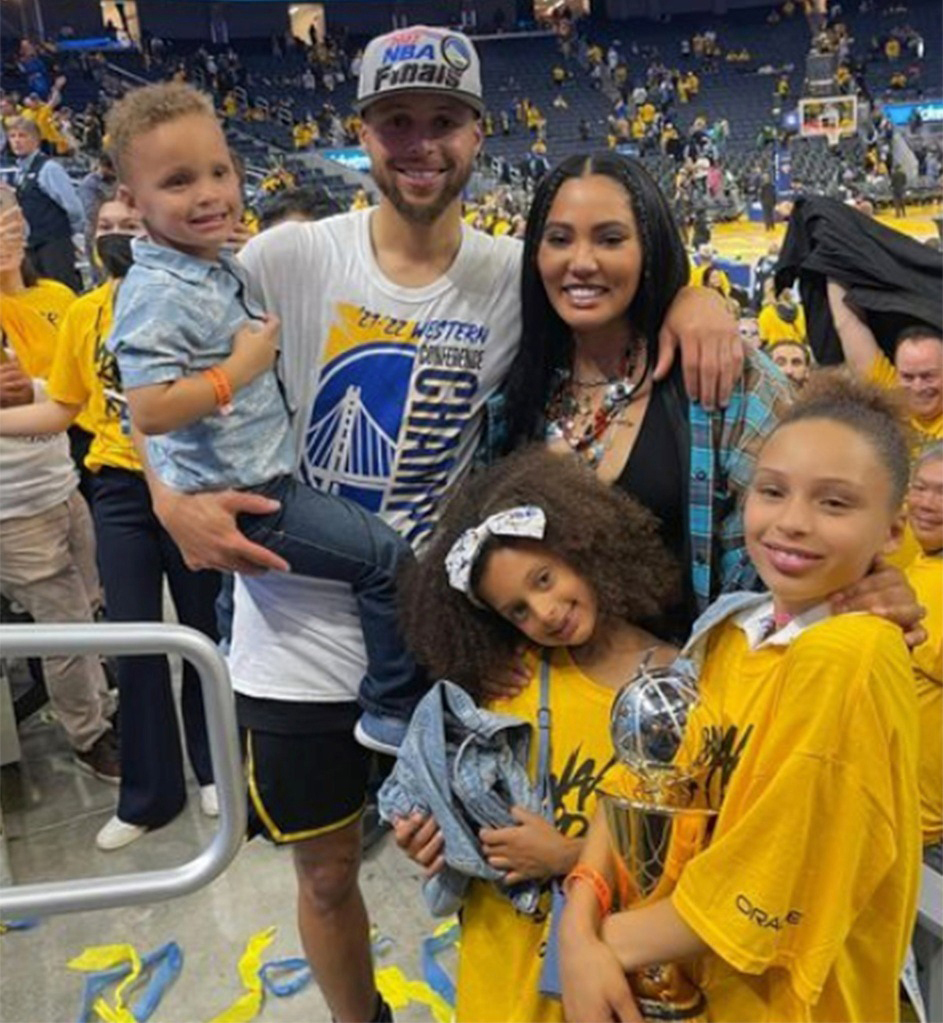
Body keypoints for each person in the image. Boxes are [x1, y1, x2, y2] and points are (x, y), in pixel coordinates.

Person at [139, 25, 765, 1023]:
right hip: (290, 638)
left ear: (478, 135)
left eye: (442, 121)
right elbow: (148, 357)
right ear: (362, 132)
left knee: (485, 849)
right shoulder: (288, 255)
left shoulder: (512, 282)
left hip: (453, 642)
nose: (418, 143)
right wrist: (166, 496)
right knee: (331, 879)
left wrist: (697, 292)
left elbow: (616, 280)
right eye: (396, 121)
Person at [560, 371, 921, 1023]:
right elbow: (639, 783)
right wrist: (578, 916)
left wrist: (597, 946)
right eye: (771, 490)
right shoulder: (729, 637)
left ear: (892, 530)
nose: (791, 522)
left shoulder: (849, 655)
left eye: (834, 503)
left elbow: (769, 874)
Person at [103, 81, 424, 756]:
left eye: (220, 172)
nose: (209, 193)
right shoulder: (156, 291)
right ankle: (394, 707)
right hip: (255, 493)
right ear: (132, 203)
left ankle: (226, 650)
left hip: (244, 477)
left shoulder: (208, 266)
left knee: (231, 596)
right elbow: (149, 408)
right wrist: (238, 372)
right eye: (179, 181)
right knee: (388, 559)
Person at [392, 446, 680, 1023]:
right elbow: (457, 801)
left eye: (544, 579)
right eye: (518, 611)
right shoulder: (511, 682)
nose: (545, 613)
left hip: (612, 973)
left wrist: (569, 857)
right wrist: (432, 832)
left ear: (582, 543)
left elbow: (693, 865)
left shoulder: (677, 688)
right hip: (502, 969)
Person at [0, 193, 222, 850]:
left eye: (131, 225)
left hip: (191, 476)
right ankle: (150, 791)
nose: (119, 236)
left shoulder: (190, 299)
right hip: (118, 486)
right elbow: (60, 408)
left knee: (203, 627)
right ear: (90, 239)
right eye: (108, 227)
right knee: (135, 637)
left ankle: (214, 764)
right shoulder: (83, 313)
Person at [500, 152, 794, 640]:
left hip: (699, 690)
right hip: (555, 697)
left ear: (650, 250)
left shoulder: (722, 375)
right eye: (559, 239)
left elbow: (801, 541)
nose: (582, 263)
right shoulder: (516, 386)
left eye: (611, 239)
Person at [0, 198, 118, 787]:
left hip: (63, 482)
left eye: (9, 214)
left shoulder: (56, 300)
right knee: (64, 621)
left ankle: (98, 704)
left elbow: (80, 388)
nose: (5, 226)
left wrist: (38, 391)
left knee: (90, 602)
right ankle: (88, 735)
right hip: (11, 507)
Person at [903, 442, 942, 864]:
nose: (928, 504)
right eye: (920, 488)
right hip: (898, 819)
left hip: (927, 831)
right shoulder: (918, 568)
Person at [8, 116, 84, 290]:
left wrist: (69, 234)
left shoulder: (49, 168)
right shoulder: (20, 172)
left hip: (54, 244)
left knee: (61, 290)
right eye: (13, 136)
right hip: (33, 245)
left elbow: (73, 207)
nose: (17, 141)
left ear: (36, 140)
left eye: (22, 136)